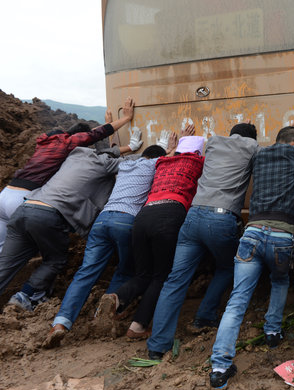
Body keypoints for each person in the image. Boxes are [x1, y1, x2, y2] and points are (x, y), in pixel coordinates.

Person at [208, 117, 294, 390]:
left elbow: (283, 147)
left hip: (251, 233)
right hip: (282, 234)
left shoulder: (260, 154)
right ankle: (272, 332)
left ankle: (219, 368)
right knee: (279, 282)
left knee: (237, 300)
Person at [145, 121, 260, 360]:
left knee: (175, 280)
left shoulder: (215, 142)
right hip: (221, 218)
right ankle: (205, 316)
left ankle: (157, 346)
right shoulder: (252, 146)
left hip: (193, 216)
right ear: (252, 137)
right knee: (228, 266)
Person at [41, 140, 171, 349]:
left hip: (102, 221)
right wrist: (171, 149)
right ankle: (105, 315)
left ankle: (60, 323)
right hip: (127, 221)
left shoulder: (126, 165)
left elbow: (121, 158)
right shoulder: (155, 165)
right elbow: (166, 162)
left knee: (86, 272)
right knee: (125, 270)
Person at [94, 125, 205, 339]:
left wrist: (176, 145)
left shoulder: (162, 162)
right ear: (198, 154)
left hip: (143, 216)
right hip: (169, 215)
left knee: (144, 274)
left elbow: (171, 156)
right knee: (161, 275)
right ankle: (137, 327)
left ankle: (117, 297)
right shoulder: (197, 162)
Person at [0, 143, 128, 311]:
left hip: (24, 209)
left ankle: (38, 295)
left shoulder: (73, 157)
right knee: (55, 259)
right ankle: (25, 295)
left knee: (6, 263)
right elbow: (135, 163)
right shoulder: (104, 163)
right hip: (48, 215)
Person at [0, 98, 136, 253]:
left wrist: (107, 124)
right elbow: (95, 135)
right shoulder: (66, 143)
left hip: (5, 194)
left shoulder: (44, 144)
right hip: (24, 198)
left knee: (3, 251)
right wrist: (125, 118)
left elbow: (90, 136)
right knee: (27, 250)